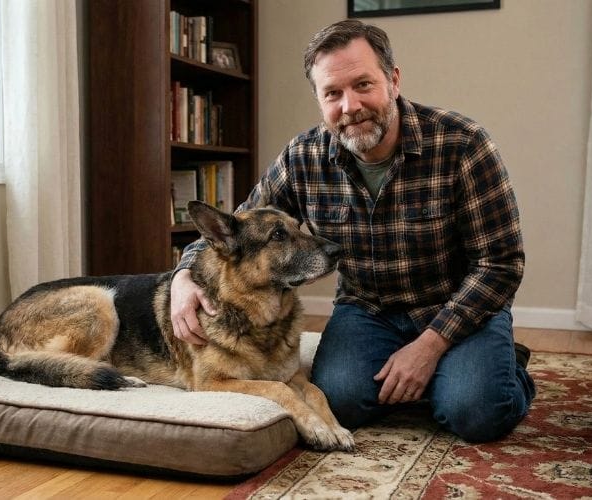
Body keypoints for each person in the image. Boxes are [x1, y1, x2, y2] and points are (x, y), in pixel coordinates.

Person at [170, 19, 535, 443]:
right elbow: (237, 228)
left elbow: (501, 263)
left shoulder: (465, 144)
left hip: (453, 309)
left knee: (476, 412)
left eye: (363, 85)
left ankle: (499, 368)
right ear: (320, 100)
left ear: (393, 80)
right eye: (333, 94)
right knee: (339, 401)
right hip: (368, 310)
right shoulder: (302, 157)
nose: (350, 106)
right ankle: (447, 376)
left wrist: (430, 346)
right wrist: (183, 275)